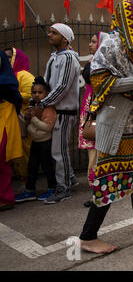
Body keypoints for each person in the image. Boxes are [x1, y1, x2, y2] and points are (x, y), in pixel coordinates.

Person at [79, 0, 133, 254]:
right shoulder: (112, 43)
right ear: (128, 17)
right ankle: (88, 236)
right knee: (108, 176)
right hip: (116, 124)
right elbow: (102, 83)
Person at [38, 23, 80, 203]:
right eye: (50, 32)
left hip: (65, 111)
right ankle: (70, 179)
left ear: (64, 38)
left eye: (54, 33)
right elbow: (48, 84)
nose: (49, 35)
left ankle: (63, 188)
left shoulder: (69, 59)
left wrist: (43, 103)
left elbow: (62, 87)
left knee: (58, 151)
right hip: (55, 109)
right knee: (60, 150)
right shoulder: (55, 57)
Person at [14, 77, 57, 203]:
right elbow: (30, 124)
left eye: (40, 92)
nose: (37, 95)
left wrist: (33, 119)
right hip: (35, 142)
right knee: (32, 166)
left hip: (45, 142)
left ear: (47, 94)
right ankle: (30, 190)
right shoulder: (32, 107)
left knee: (47, 166)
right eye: (34, 92)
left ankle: (52, 188)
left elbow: (48, 127)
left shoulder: (49, 108)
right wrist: (27, 117)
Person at [79, 32, 107, 207]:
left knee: (95, 154)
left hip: (95, 111)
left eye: (94, 41)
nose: (90, 44)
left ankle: (97, 192)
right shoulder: (94, 62)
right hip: (89, 111)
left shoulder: (101, 64)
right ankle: (99, 191)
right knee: (94, 154)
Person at [4, 47, 35, 187]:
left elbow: (32, 94)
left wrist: (12, 96)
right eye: (5, 58)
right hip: (11, 118)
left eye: (10, 57)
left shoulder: (23, 75)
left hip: (23, 118)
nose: (7, 60)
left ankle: (28, 183)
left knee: (25, 150)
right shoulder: (6, 75)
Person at [0, 51, 23, 211]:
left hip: (5, 120)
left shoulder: (7, 82)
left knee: (2, 159)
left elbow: (17, 99)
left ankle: (5, 198)